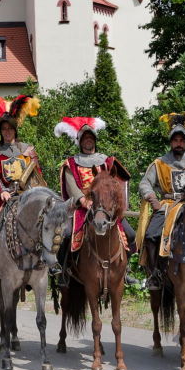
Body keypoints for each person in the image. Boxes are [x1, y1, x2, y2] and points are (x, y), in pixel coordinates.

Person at [54, 117, 135, 281]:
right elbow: (71, 186)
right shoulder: (71, 163)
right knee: (66, 234)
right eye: (85, 138)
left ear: (95, 140)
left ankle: (126, 271)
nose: (88, 140)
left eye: (91, 138)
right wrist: (84, 200)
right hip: (80, 208)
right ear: (80, 142)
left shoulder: (106, 161)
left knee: (130, 234)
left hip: (105, 208)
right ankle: (63, 270)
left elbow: (117, 183)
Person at [0, 96, 43, 274]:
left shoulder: (28, 150)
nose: (7, 132)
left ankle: (47, 259)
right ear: (0, 131)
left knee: (46, 219)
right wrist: (2, 190)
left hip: (25, 194)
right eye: (4, 129)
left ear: (15, 129)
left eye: (10, 128)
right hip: (2, 195)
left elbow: (36, 175)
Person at [138, 111, 185, 290]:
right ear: (171, 142)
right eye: (175, 140)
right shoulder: (159, 163)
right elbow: (144, 183)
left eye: (181, 140)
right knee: (151, 235)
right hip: (166, 206)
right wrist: (152, 199)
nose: (178, 143)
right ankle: (154, 274)